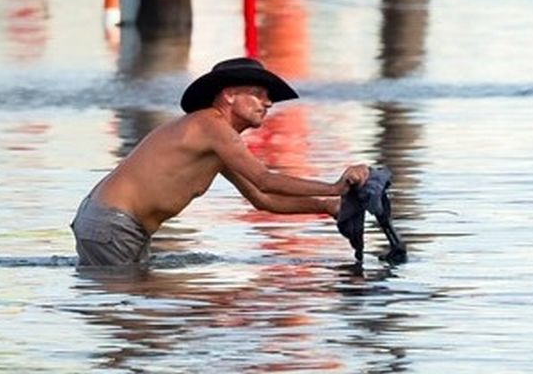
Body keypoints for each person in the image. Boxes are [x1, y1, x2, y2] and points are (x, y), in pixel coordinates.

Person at [71, 57, 370, 266]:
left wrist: (326, 206)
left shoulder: (216, 140)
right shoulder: (211, 126)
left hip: (114, 226)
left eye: (268, 98)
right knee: (137, 315)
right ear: (228, 96)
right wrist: (336, 188)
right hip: (113, 225)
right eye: (257, 94)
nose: (267, 103)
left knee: (143, 310)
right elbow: (264, 179)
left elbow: (261, 198)